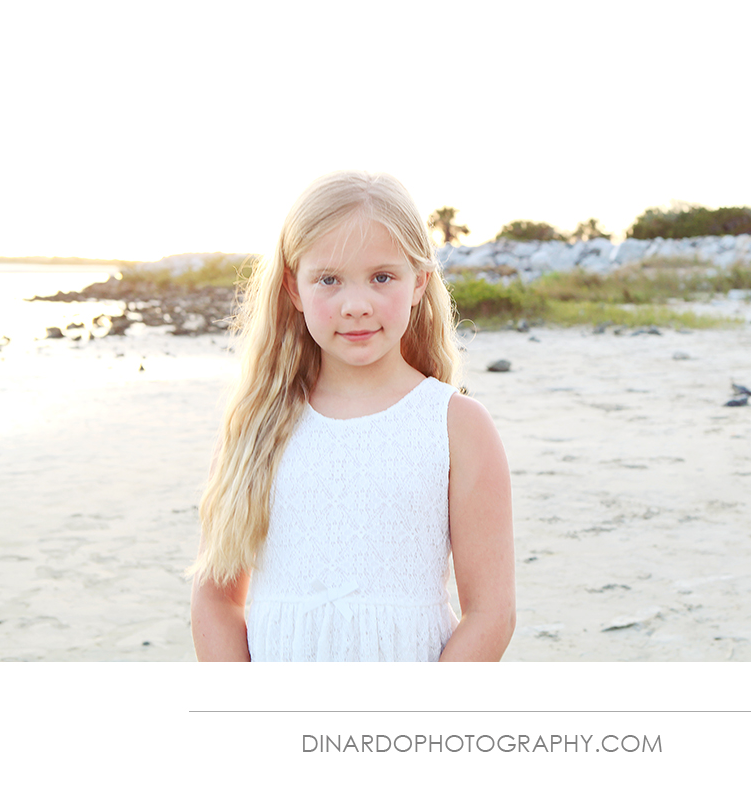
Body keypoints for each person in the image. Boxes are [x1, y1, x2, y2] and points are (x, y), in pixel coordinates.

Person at [189, 171, 515, 661]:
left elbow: (492, 613)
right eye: (328, 280)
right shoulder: (256, 425)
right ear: (294, 290)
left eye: (382, 277)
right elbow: (215, 598)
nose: (356, 305)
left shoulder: (456, 426)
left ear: (419, 281)